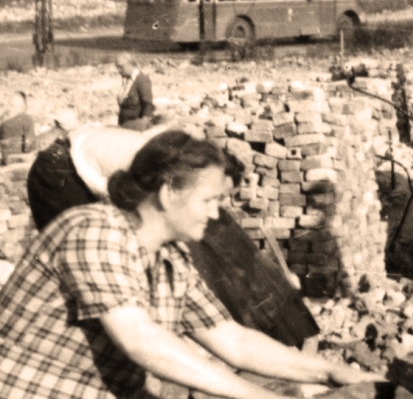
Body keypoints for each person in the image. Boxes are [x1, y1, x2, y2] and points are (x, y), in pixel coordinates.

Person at [0, 131, 374, 399]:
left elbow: (234, 339)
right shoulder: (93, 232)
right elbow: (140, 339)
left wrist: (328, 372)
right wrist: (249, 393)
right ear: (168, 192)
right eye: (208, 199)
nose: (215, 214)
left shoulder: (171, 260)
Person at [25, 124, 319, 348]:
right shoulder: (152, 165)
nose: (216, 208)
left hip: (85, 158)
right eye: (212, 197)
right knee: (87, 265)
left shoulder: (175, 168)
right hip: (58, 169)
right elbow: (138, 215)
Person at [115, 53, 156, 130]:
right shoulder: (126, 79)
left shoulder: (141, 80)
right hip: (124, 125)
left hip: (135, 126)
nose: (118, 70)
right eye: (117, 67)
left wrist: (143, 122)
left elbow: (148, 104)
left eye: (121, 67)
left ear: (130, 64)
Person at [0, 91, 35, 164]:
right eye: (9, 104)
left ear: (22, 108)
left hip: (15, 162)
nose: (9, 108)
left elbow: (30, 146)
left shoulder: (26, 119)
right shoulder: (3, 118)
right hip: (8, 161)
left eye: (13, 106)